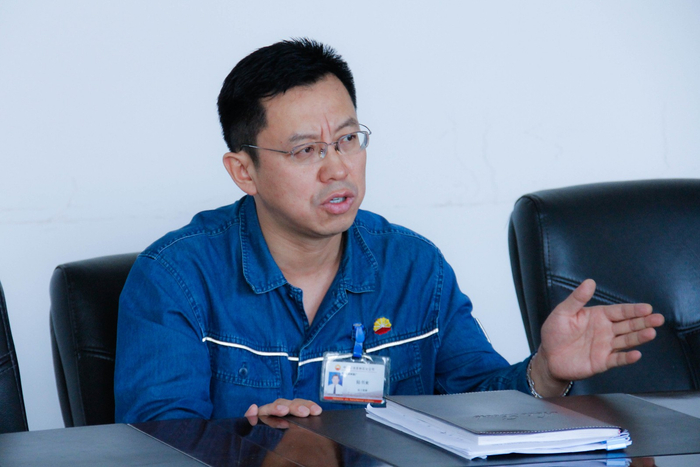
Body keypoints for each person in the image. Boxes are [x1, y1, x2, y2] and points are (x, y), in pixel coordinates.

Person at [114, 38, 664, 424]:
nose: (337, 169)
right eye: (306, 151)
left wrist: (545, 372)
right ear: (244, 171)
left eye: (348, 140)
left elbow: (480, 404)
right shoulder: (175, 278)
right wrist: (251, 444)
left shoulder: (415, 268)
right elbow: (159, 441)